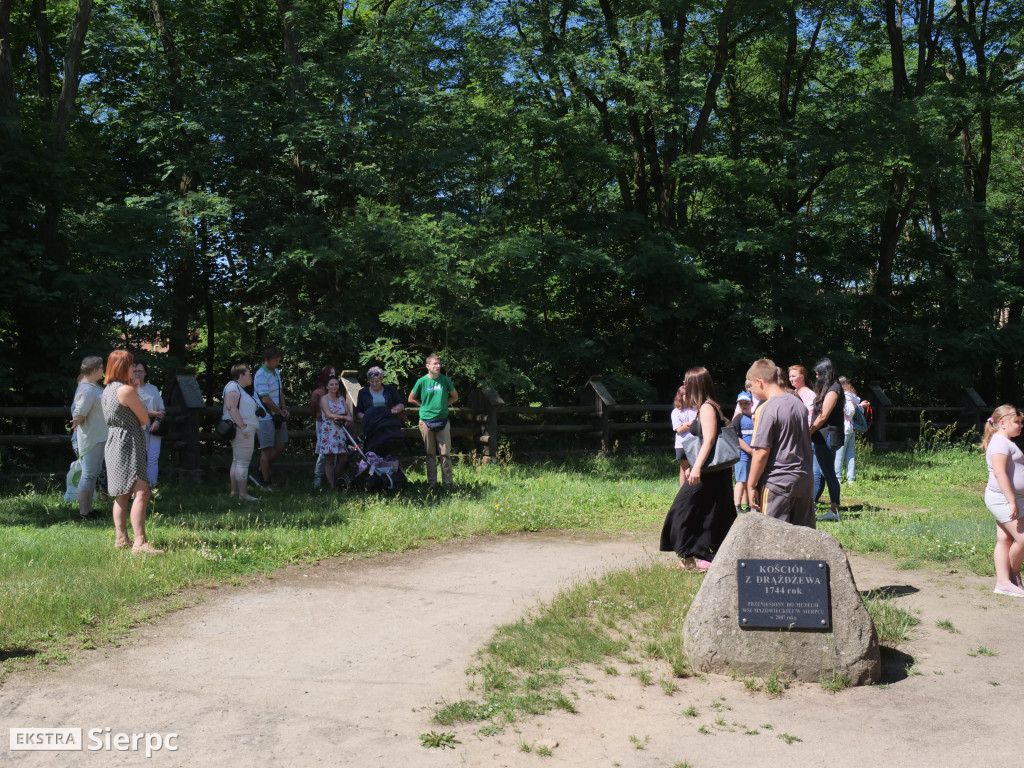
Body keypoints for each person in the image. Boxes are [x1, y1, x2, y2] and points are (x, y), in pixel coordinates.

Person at [659, 367, 737, 571]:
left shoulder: (708, 408)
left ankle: (691, 557)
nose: (684, 386)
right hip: (711, 471)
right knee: (709, 512)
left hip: (708, 471)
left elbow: (709, 439)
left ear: (696, 384)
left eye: (687, 382)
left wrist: (696, 468)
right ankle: (696, 558)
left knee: (682, 509)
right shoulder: (704, 406)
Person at [101, 350, 160, 554]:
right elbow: (144, 419)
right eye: (131, 366)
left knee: (122, 494)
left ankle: (121, 539)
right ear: (121, 367)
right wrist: (134, 392)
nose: (134, 370)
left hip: (114, 441)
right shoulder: (125, 390)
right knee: (142, 492)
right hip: (129, 441)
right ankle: (140, 543)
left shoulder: (108, 389)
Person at [745, 358, 815, 528]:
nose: (752, 391)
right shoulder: (798, 404)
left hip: (777, 484)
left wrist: (751, 484)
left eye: (752, 386)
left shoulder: (767, 408)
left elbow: (761, 452)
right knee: (803, 541)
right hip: (804, 481)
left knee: (770, 538)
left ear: (759, 382)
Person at [982, 405, 1024, 597]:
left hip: (1010, 497)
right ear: (1003, 423)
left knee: (1005, 539)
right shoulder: (1000, 443)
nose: (1020, 425)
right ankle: (1013, 575)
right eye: (1017, 422)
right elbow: (1000, 473)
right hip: (1003, 498)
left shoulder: (1003, 441)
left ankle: (1003, 582)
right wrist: (1011, 501)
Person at [408, 354, 459, 488]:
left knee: (445, 453)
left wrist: (444, 405)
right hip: (425, 420)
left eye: (439, 363)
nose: (438, 366)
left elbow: (455, 396)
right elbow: (411, 398)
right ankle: (432, 484)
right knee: (430, 453)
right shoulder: (422, 381)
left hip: (442, 419)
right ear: (428, 366)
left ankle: (448, 484)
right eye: (435, 364)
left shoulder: (445, 380)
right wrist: (423, 406)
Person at [71, 356, 108, 520]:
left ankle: (89, 509)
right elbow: (79, 412)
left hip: (98, 436)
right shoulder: (86, 388)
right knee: (88, 474)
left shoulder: (93, 386)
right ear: (94, 370)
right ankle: (84, 512)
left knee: (93, 474)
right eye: (101, 368)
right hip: (91, 437)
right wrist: (77, 420)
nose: (103, 370)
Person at [808, 358, 844, 521]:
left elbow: (823, 416)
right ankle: (820, 507)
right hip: (823, 436)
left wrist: (809, 432)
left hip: (827, 436)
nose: (816, 376)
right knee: (823, 473)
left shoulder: (834, 390)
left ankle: (835, 511)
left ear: (826, 373)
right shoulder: (829, 388)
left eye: (818, 373)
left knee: (829, 473)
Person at [252, 346, 290, 490]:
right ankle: (265, 481)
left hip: (278, 415)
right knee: (266, 449)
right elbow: (266, 399)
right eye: (275, 360)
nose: (277, 363)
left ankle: (262, 470)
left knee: (280, 446)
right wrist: (280, 412)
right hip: (266, 417)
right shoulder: (261, 374)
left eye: (279, 360)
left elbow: (280, 392)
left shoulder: (276, 372)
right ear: (266, 360)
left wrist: (284, 409)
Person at [223, 363, 260, 501]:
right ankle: (243, 494)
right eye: (249, 373)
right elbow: (231, 406)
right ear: (241, 375)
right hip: (242, 431)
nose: (251, 376)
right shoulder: (233, 387)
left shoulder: (237, 388)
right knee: (243, 463)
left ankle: (235, 492)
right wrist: (243, 426)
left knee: (237, 461)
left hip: (241, 430)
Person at [355, 366, 406, 456]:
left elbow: (401, 404)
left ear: (381, 380)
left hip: (387, 423)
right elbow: (358, 411)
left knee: (389, 446)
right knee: (373, 447)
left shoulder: (389, 389)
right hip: (371, 424)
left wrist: (394, 410)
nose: (374, 384)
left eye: (377, 381)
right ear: (368, 381)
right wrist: (366, 417)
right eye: (372, 382)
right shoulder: (363, 392)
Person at [132, 361, 165, 492]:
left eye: (140, 371)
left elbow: (162, 409)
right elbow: (135, 411)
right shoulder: (129, 390)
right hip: (137, 428)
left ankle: (151, 487)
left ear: (145, 372)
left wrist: (157, 420)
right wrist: (155, 413)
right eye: (135, 371)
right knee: (138, 459)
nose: (138, 373)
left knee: (153, 459)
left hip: (154, 428)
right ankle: (137, 489)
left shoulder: (153, 389)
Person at [316, 375, 353, 488]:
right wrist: (343, 418)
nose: (334, 386)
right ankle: (332, 486)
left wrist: (348, 420)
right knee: (330, 459)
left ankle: (336, 480)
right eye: (331, 384)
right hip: (329, 431)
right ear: (327, 386)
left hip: (340, 431)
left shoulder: (341, 399)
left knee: (343, 457)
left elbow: (349, 414)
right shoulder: (324, 399)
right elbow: (328, 414)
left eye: (336, 384)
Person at [834, 377, 869, 484]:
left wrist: (840, 407)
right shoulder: (852, 396)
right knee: (850, 454)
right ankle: (851, 478)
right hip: (851, 428)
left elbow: (850, 411)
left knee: (839, 455)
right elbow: (859, 410)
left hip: (844, 428)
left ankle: (837, 478)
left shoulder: (845, 396)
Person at [309, 365, 338, 489]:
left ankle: (333, 478)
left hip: (336, 425)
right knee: (323, 451)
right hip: (322, 424)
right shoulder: (318, 393)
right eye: (330, 373)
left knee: (336, 451)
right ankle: (318, 477)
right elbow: (313, 409)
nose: (332, 375)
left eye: (334, 374)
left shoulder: (337, 392)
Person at [670, 385, 697, 486]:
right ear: (680, 396)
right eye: (687, 394)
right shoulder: (676, 412)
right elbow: (679, 430)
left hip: (695, 442)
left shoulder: (696, 409)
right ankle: (683, 491)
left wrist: (687, 424)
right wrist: (692, 424)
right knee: (683, 468)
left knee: (695, 467)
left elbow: (699, 423)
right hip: (682, 444)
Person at [733, 391, 754, 513]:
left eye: (746, 403)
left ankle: (751, 504)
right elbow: (736, 437)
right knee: (741, 480)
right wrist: (749, 450)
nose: (744, 406)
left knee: (753, 480)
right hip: (743, 454)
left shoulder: (755, 417)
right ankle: (737, 505)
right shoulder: (738, 418)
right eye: (741, 404)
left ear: (752, 403)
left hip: (755, 454)